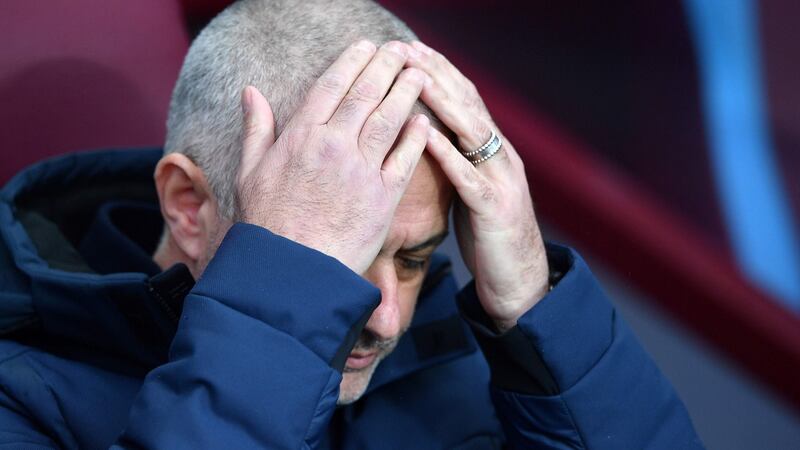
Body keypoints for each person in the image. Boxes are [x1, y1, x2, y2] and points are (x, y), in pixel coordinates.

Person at [0, 0, 703, 448]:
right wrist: (282, 313)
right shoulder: (22, 399)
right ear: (189, 203)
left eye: (415, 257)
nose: (390, 318)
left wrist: (537, 313)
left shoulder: (461, 360)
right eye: (336, 256)